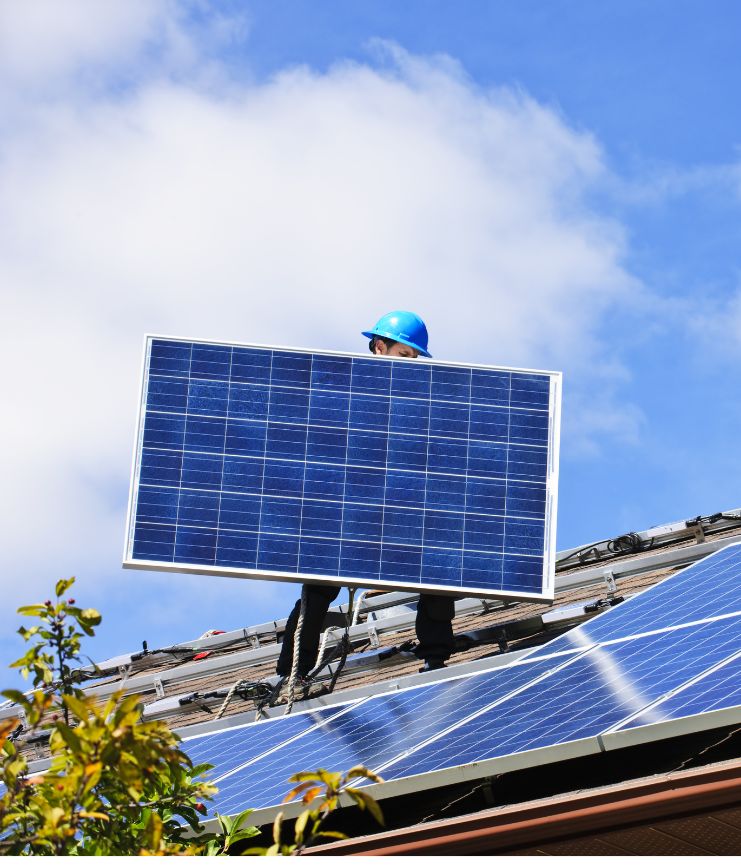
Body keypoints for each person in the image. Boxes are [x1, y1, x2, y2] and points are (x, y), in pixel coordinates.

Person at [275, 311, 456, 682]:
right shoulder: (341, 390)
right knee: (320, 584)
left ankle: (435, 656)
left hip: (399, 504)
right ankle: (292, 671)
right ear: (379, 346)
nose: (411, 364)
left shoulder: (423, 402)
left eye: (415, 358)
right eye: (404, 355)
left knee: (438, 563)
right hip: (349, 505)